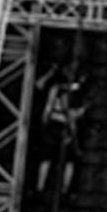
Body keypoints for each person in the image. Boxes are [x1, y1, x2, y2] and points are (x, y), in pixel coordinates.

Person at [35, 67, 87, 195]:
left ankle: (41, 187)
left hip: (54, 124)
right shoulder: (74, 92)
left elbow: (48, 108)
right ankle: (63, 188)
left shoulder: (56, 89)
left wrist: (45, 122)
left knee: (48, 158)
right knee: (68, 160)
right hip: (64, 126)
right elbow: (75, 114)